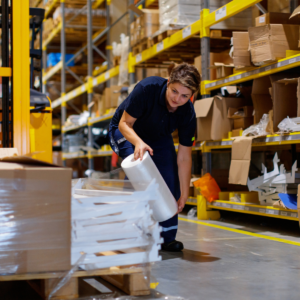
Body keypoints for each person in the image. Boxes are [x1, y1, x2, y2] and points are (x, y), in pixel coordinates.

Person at [108, 63, 201, 252]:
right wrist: (139, 143)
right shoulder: (147, 88)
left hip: (158, 137)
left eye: (185, 96)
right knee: (140, 169)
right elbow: (124, 124)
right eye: (174, 91)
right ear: (168, 83)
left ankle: (165, 236)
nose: (177, 99)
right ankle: (128, 232)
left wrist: (184, 193)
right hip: (125, 131)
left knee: (168, 178)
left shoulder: (188, 113)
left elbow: (184, 157)